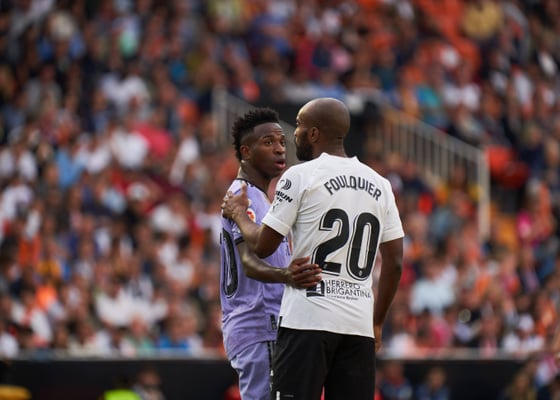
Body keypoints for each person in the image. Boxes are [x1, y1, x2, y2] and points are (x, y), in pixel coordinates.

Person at [222, 97, 404, 400]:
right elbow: (395, 263)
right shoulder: (381, 184)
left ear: (314, 133)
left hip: (307, 320)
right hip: (358, 325)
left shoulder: (300, 175)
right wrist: (377, 321)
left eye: (298, 126)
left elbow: (263, 246)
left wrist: (239, 214)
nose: (293, 135)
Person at [220, 107, 321, 400]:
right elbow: (249, 263)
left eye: (281, 142)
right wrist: (287, 275)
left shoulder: (261, 197)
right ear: (246, 151)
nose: (279, 149)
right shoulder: (243, 196)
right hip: (259, 322)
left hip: (266, 325)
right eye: (268, 142)